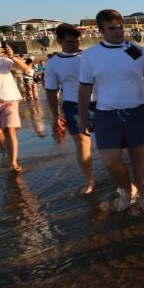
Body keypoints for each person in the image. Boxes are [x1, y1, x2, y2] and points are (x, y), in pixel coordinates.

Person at [78, 9, 144, 214]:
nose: (118, 32)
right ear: (100, 30)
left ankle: (143, 197)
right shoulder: (90, 56)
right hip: (105, 113)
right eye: (112, 28)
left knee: (138, 158)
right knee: (110, 161)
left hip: (137, 111)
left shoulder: (138, 51)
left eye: (120, 27)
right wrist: (82, 120)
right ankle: (128, 189)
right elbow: (84, 88)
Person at [44, 24, 97, 194]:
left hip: (100, 102)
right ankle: (90, 180)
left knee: (108, 143)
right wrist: (55, 116)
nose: (75, 45)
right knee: (82, 143)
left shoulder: (90, 56)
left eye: (77, 41)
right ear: (58, 41)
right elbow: (51, 91)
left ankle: (117, 174)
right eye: (70, 42)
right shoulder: (52, 64)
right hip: (72, 105)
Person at [0, 40, 31, 171]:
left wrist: (12, 56)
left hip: (8, 101)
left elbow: (25, 68)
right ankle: (7, 152)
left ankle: (13, 163)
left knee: (9, 130)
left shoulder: (3, 61)